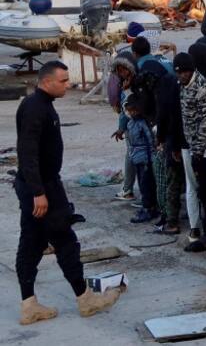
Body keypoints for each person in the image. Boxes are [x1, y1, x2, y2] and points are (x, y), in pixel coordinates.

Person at [16, 62, 122, 325]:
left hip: (39, 185)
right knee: (64, 241)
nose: (68, 85)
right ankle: (85, 299)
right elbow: (27, 152)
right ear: (47, 81)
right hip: (42, 188)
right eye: (63, 81)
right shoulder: (35, 108)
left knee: (32, 243)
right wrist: (39, 192)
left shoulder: (42, 105)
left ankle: (29, 304)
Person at [177, 52, 206, 251]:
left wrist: (199, 151)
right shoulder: (183, 86)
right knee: (194, 189)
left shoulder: (202, 87)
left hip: (202, 148)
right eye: (179, 72)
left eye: (184, 72)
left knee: (205, 190)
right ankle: (198, 229)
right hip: (190, 144)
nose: (181, 76)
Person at [124, 95, 159, 224]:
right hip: (136, 158)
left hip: (145, 159)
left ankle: (149, 209)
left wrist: (150, 158)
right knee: (142, 183)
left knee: (146, 185)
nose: (132, 113)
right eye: (130, 110)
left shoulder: (143, 123)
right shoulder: (131, 123)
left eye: (134, 110)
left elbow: (151, 142)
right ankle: (148, 207)